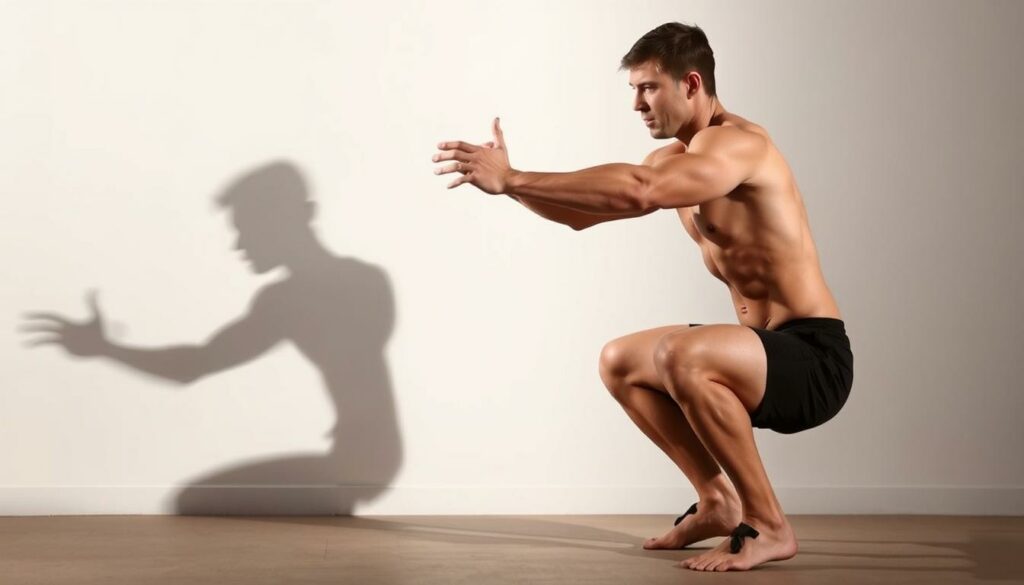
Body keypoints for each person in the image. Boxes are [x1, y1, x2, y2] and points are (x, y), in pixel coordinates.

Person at [432, 22, 853, 572]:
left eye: (647, 88)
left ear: (691, 83)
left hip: (813, 360)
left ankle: (770, 525)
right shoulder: (673, 161)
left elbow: (639, 191)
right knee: (621, 361)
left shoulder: (740, 146)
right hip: (759, 351)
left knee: (679, 352)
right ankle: (716, 501)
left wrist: (516, 177)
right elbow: (581, 216)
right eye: (633, 90)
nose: (636, 104)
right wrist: (510, 186)